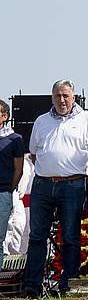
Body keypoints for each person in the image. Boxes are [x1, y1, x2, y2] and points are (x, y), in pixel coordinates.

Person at [22, 80, 88, 297]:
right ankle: (32, 286)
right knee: (37, 236)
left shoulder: (87, 120)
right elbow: (35, 152)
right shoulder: (42, 120)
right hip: (43, 184)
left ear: (73, 97)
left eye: (66, 96)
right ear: (52, 98)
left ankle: (68, 284)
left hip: (73, 184)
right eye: (57, 96)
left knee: (70, 236)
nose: (62, 100)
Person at [0, 99, 26, 250]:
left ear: (5, 117)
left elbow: (19, 169)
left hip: (3, 192)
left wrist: (9, 190)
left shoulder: (14, 139)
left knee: (1, 236)